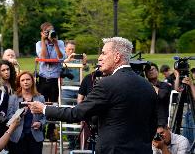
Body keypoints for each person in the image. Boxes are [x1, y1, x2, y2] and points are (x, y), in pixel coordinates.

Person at [29, 37, 158, 154]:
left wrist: (44, 108)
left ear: (117, 57)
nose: (99, 58)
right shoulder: (148, 87)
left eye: (103, 53)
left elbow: (76, 113)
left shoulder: (107, 84)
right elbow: (152, 126)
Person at [35, 22, 65, 141]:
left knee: (53, 105)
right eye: (47, 32)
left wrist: (56, 44)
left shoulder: (60, 43)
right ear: (42, 33)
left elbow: (60, 58)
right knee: (40, 103)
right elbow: (44, 58)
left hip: (54, 79)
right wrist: (43, 41)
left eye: (52, 31)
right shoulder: (39, 44)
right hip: (43, 78)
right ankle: (41, 128)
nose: (50, 34)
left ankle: (51, 130)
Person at [7, 71, 45, 154]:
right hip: (18, 136)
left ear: (32, 81)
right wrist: (19, 114)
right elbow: (9, 117)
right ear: (19, 83)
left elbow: (45, 116)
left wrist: (40, 123)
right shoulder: (13, 98)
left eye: (28, 79)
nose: (26, 82)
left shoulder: (40, 98)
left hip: (35, 136)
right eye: (22, 80)